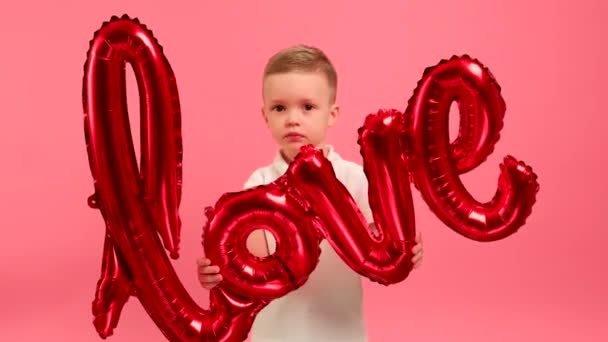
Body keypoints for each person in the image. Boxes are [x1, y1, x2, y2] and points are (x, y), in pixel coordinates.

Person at [197, 45, 424, 342]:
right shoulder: (258, 183)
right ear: (265, 116)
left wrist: (410, 248)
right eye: (280, 108)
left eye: (307, 107)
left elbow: (388, 242)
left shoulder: (355, 179)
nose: (293, 119)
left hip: (341, 332)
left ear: (332, 114)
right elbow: (242, 258)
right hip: (275, 334)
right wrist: (216, 274)